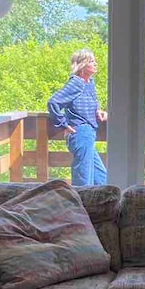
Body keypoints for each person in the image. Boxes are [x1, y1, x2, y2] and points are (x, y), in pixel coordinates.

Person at [47, 49, 107, 186]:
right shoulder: (76, 83)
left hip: (88, 134)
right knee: (83, 180)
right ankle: (80, 200)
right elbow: (53, 102)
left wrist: (98, 112)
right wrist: (63, 124)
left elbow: (83, 104)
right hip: (81, 133)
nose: (95, 64)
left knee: (101, 179)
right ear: (82, 65)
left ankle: (103, 200)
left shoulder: (89, 83)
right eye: (91, 61)